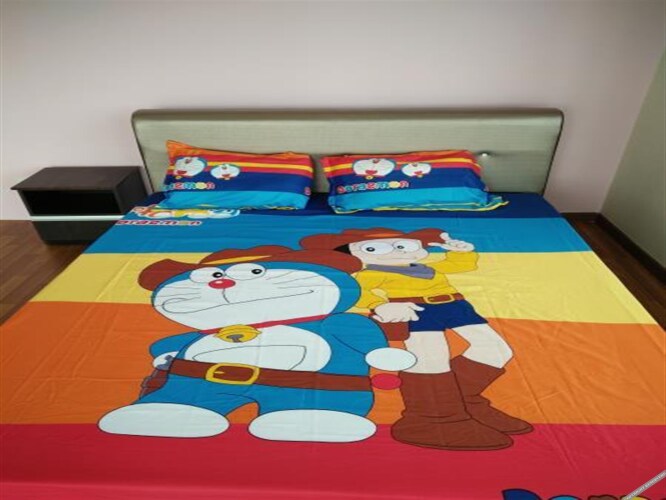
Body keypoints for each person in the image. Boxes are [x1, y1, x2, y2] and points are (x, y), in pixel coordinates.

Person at [301, 228, 533, 451]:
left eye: (404, 246)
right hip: (415, 309)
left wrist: (461, 252)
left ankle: (464, 401)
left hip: (454, 305)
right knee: (432, 358)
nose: (397, 252)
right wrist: (379, 305)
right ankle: (430, 418)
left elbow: (459, 265)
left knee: (496, 349)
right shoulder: (370, 273)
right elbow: (358, 291)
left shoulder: (426, 266)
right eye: (374, 249)